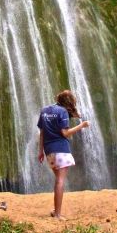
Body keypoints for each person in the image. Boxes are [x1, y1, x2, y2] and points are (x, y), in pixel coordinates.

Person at [38, 90, 90, 220]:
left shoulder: (45, 110)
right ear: (68, 102)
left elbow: (42, 132)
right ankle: (57, 215)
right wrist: (81, 126)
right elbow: (65, 133)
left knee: (58, 180)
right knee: (60, 181)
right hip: (61, 149)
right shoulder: (62, 112)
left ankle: (56, 209)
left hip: (48, 150)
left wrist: (40, 151)